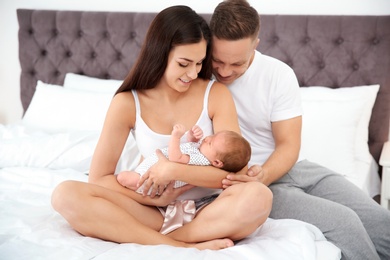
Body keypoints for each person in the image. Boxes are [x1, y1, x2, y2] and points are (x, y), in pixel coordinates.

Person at [51, 5, 272, 250]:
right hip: (150, 210)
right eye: (184, 63)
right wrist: (155, 197)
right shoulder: (127, 103)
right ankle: (184, 245)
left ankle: (173, 239)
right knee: (65, 195)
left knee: (259, 196)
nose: (193, 73)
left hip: (208, 209)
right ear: (160, 53)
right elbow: (99, 179)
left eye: (199, 63)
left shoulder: (215, 94)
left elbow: (234, 174)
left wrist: (173, 171)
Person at [207, 1, 390, 259]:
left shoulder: (278, 74)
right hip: (256, 188)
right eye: (218, 60)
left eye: (237, 63)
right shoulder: (195, 76)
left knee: (382, 222)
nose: (225, 71)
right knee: (345, 223)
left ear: (255, 45)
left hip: (292, 169)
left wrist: (265, 173)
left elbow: (288, 145)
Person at [117, 123, 251, 195]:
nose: (207, 138)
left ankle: (133, 187)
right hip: (150, 168)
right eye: (212, 136)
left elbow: (176, 158)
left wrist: (175, 137)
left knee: (122, 178)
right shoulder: (201, 150)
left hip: (151, 182)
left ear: (216, 162)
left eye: (210, 143)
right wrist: (192, 137)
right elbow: (189, 146)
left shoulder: (202, 161)